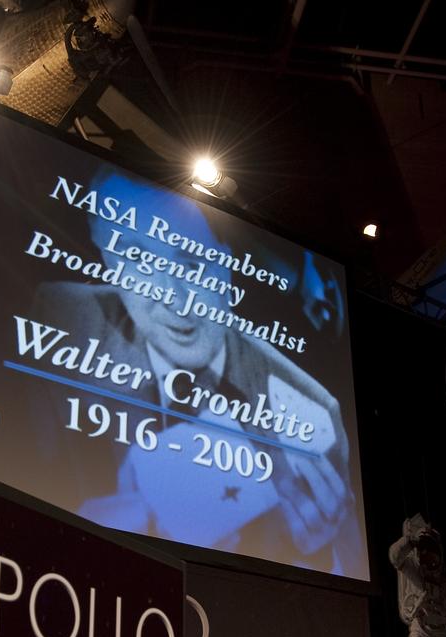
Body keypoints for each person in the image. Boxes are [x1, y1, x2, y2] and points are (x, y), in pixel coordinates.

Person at [27, 170, 363, 575]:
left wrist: (319, 553)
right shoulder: (61, 316)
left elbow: (346, 566)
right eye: (137, 260)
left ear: (227, 263)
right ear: (106, 259)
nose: (173, 298)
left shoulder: (312, 413)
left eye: (190, 261)